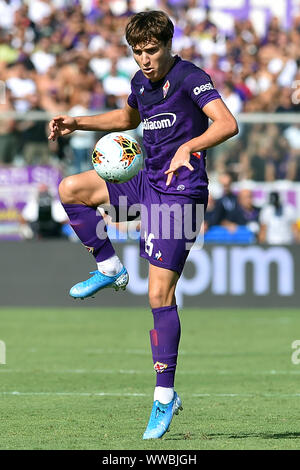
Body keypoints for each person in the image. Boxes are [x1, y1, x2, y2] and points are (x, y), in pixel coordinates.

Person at [48, 10, 238, 440]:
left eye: (152, 50)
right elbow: (127, 120)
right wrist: (76, 121)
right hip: (145, 184)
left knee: (158, 294)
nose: (145, 59)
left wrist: (189, 146)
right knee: (71, 188)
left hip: (179, 194)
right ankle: (110, 268)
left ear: (169, 45)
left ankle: (165, 397)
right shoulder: (140, 83)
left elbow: (227, 123)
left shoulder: (191, 78)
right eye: (137, 52)